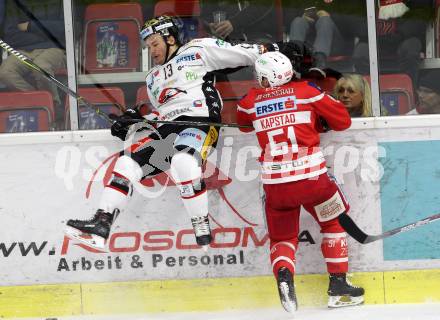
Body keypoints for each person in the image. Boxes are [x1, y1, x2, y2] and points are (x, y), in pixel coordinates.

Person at [64, 15, 295, 250]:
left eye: (155, 44)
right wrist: (132, 122)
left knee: (183, 162)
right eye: (148, 46)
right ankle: (101, 226)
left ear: (171, 38)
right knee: (126, 164)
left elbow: (246, 52)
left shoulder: (198, 49)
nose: (151, 51)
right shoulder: (153, 78)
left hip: (200, 123)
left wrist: (282, 49)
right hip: (168, 131)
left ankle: (201, 223)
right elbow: (161, 114)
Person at [237, 51, 365, 312]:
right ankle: (339, 286)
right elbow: (342, 121)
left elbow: (243, 125)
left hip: (277, 186)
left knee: (282, 238)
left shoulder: (249, 100)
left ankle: (284, 273)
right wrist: (317, 122)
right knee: (332, 223)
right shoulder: (307, 91)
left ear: (264, 78)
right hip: (313, 181)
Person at [0, 0, 66, 124]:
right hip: (23, 49)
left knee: (41, 67)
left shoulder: (63, 2)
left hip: (54, 48)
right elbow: (10, 35)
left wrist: (30, 26)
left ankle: (54, 107)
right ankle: (39, 104)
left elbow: (69, 29)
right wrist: (48, 33)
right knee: (5, 72)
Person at [353, 0, 433, 87]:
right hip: (372, 39)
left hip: (404, 37)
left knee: (411, 49)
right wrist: (370, 33)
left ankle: (409, 92)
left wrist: (400, 34)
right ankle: (368, 93)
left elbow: (421, 15)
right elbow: (354, 17)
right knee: (360, 53)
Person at [287, 0, 367, 70]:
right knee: (298, 21)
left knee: (325, 21)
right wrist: (303, 15)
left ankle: (319, 62)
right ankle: (293, 60)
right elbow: (284, 19)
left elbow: (356, 25)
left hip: (339, 43)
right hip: (310, 45)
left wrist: (330, 16)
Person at [200, 0, 279, 43]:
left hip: (260, 36)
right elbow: (205, 16)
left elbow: (263, 5)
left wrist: (234, 23)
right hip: (227, 41)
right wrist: (210, 26)